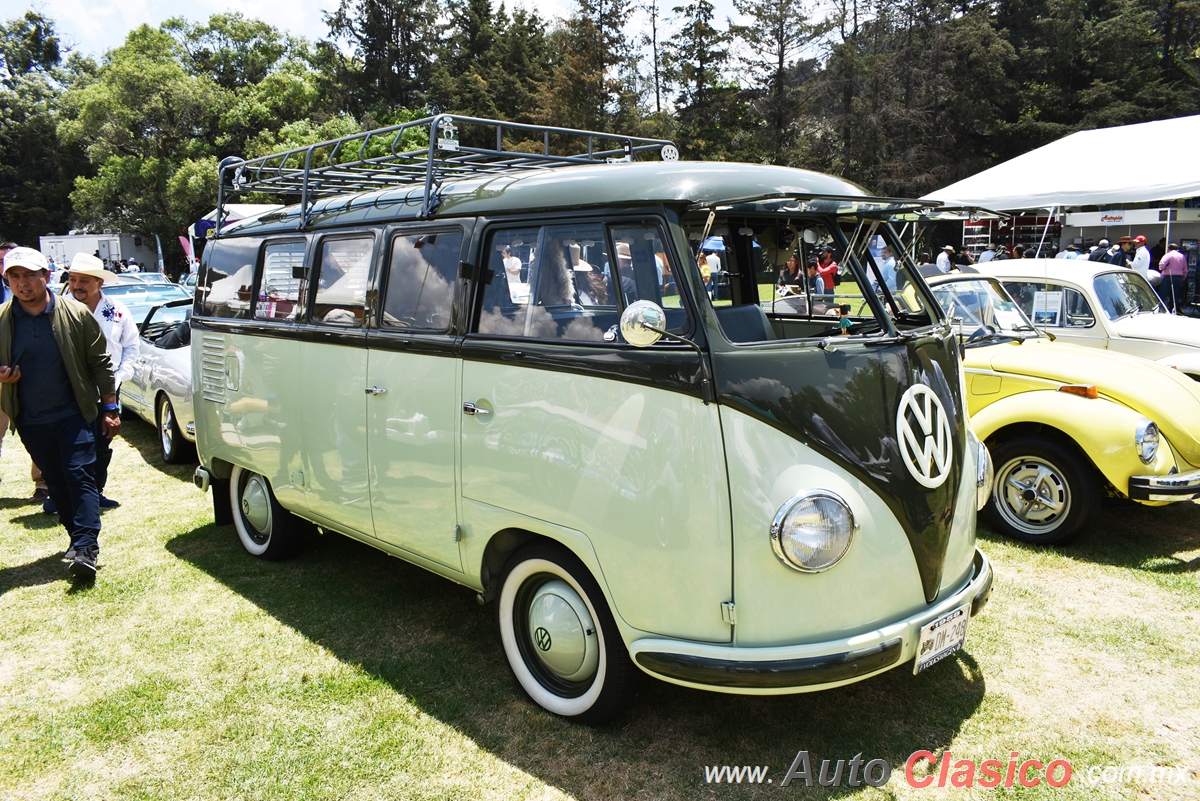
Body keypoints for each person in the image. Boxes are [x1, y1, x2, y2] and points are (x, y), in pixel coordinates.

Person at [0, 247, 118, 580]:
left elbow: (100, 363)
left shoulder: (76, 314)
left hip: (74, 412)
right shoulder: (2, 319)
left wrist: (109, 407)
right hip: (30, 418)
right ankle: (76, 536)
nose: (22, 283)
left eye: (29, 275)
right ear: (6, 279)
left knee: (79, 474)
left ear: (47, 277)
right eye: (14, 276)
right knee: (57, 481)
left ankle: (86, 547)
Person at [63, 253, 138, 510]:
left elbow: (131, 347)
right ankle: (63, 496)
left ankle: (96, 492)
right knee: (69, 448)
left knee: (101, 445)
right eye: (73, 279)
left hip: (107, 392)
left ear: (99, 283)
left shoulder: (117, 311)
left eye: (84, 280)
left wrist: (119, 377)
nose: (77, 286)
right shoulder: (59, 310)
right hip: (68, 392)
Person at [1159, 243, 1189, 314]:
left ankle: (1160, 310)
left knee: (1162, 294)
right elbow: (1185, 270)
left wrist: (1163, 268)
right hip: (1179, 278)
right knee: (1174, 295)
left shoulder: (1168, 255)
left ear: (1168, 249)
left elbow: (1161, 265)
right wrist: (1183, 278)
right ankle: (1174, 311)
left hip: (1168, 277)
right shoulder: (1182, 256)